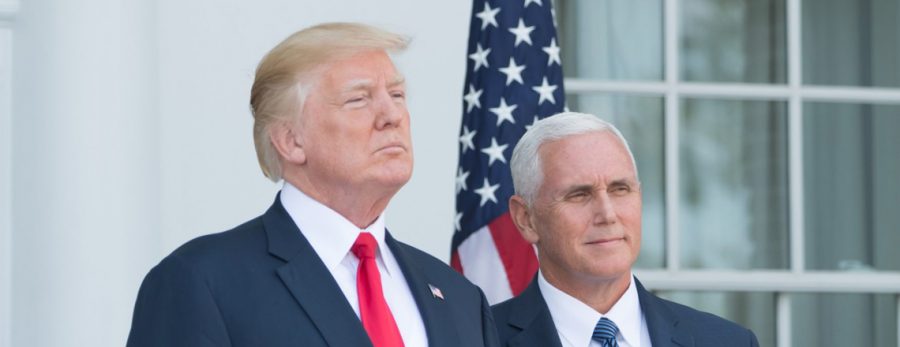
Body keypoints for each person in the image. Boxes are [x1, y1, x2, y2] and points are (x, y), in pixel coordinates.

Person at [127, 23, 499, 347]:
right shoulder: (202, 283)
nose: (392, 115)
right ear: (291, 141)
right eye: (359, 99)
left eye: (397, 95)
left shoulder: (459, 296)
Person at [492, 112, 759, 347]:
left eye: (620, 189)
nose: (607, 215)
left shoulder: (728, 341)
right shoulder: (476, 339)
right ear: (526, 219)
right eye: (579, 195)